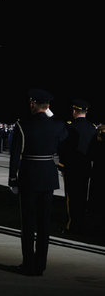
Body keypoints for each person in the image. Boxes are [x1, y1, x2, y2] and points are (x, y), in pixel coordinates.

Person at [9, 89, 67, 276]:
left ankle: (28, 264)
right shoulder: (57, 125)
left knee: (28, 224)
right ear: (48, 106)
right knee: (44, 225)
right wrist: (51, 115)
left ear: (33, 104)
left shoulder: (22, 125)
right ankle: (40, 265)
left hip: (28, 175)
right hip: (48, 176)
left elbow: (15, 155)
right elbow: (65, 136)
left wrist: (12, 179)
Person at [59, 99, 96, 234]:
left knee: (71, 197)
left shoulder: (69, 126)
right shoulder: (92, 128)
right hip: (86, 167)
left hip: (71, 167)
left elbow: (63, 148)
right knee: (82, 196)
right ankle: (81, 224)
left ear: (74, 111)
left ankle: (72, 225)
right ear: (86, 112)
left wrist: (62, 165)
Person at [88, 125, 105, 237]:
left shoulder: (97, 141)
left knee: (96, 203)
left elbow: (91, 155)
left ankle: (94, 228)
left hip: (98, 174)